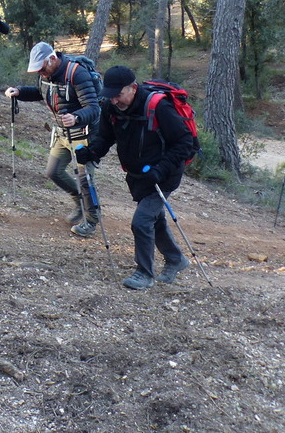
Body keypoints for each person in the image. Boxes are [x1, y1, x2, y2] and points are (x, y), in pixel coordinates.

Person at [74, 66, 195, 290]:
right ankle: (176, 259)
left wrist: (160, 170)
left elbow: (185, 144)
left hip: (165, 174)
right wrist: (91, 152)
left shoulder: (158, 107)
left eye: (118, 95)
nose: (114, 100)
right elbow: (105, 137)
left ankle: (144, 273)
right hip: (138, 175)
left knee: (141, 221)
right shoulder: (111, 107)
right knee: (153, 218)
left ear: (133, 88)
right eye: (109, 95)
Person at [5, 43, 102, 236]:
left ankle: (91, 221)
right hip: (62, 133)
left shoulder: (77, 74)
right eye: (37, 70)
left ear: (52, 59)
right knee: (53, 171)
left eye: (41, 68)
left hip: (83, 134)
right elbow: (40, 93)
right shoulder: (46, 76)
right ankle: (80, 203)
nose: (40, 73)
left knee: (85, 180)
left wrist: (76, 117)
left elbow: (94, 107)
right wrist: (20, 92)